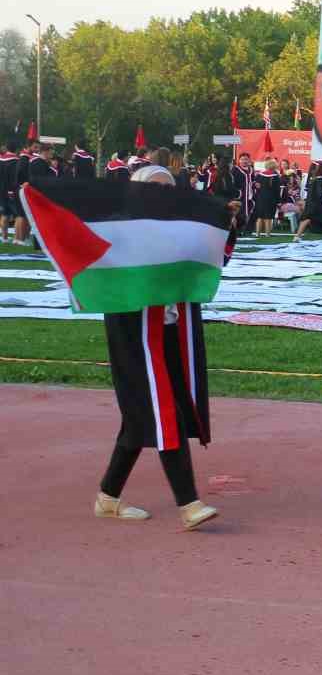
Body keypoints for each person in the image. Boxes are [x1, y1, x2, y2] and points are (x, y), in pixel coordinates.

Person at [94, 164, 239, 531]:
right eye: (154, 188)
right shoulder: (121, 230)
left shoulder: (179, 230)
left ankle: (108, 497)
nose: (161, 195)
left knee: (140, 417)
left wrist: (224, 224)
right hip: (136, 336)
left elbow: (214, 260)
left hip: (172, 331)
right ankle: (188, 503)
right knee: (164, 412)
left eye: (167, 188)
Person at [296, 162, 322, 240]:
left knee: (306, 219)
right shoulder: (320, 179)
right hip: (320, 204)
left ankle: (297, 236)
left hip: (311, 203)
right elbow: (320, 193)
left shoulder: (313, 178)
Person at [252, 158, 283, 236]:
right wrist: (279, 201)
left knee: (259, 217)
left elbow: (256, 186)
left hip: (260, 198)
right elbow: (277, 190)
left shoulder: (259, 175)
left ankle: (257, 233)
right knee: (268, 217)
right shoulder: (275, 176)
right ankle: (267, 234)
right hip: (271, 199)